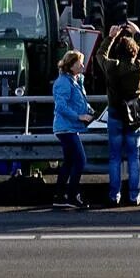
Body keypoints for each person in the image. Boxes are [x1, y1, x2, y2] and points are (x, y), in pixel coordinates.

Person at [97, 21, 140, 207]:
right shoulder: (139, 68)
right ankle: (134, 196)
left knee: (115, 158)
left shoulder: (111, 67)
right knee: (134, 157)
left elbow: (100, 55)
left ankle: (114, 195)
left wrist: (111, 37)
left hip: (114, 115)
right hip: (134, 116)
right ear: (134, 52)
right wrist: (137, 33)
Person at [50, 49, 92, 210]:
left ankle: (59, 196)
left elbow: (80, 101)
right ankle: (72, 195)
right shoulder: (63, 82)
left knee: (69, 162)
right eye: (79, 62)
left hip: (69, 128)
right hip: (65, 128)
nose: (82, 64)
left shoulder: (74, 80)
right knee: (80, 160)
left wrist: (89, 112)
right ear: (71, 65)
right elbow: (61, 106)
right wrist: (79, 117)